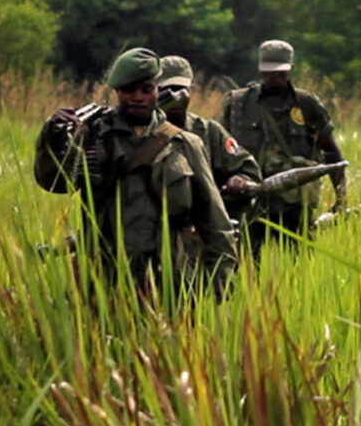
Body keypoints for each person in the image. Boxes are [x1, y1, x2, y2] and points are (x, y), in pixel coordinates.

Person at [34, 47, 237, 296]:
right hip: (102, 279)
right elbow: (55, 183)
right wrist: (51, 139)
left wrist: (222, 281)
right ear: (118, 92)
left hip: (167, 282)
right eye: (129, 90)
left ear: (156, 91)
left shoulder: (185, 144)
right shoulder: (93, 135)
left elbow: (214, 219)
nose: (138, 97)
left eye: (146, 89)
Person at [223, 39, 346, 254]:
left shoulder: (306, 103)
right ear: (260, 70)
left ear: (291, 70)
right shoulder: (239, 104)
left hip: (296, 208)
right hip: (251, 204)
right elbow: (220, 152)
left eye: (280, 73)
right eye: (269, 72)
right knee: (248, 268)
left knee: (301, 267)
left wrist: (341, 197)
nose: (274, 78)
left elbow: (330, 152)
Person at [157, 55, 262, 222]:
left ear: (191, 90)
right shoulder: (143, 131)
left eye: (180, 89)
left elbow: (247, 169)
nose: (175, 96)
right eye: (166, 90)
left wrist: (240, 180)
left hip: (203, 229)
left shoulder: (209, 131)